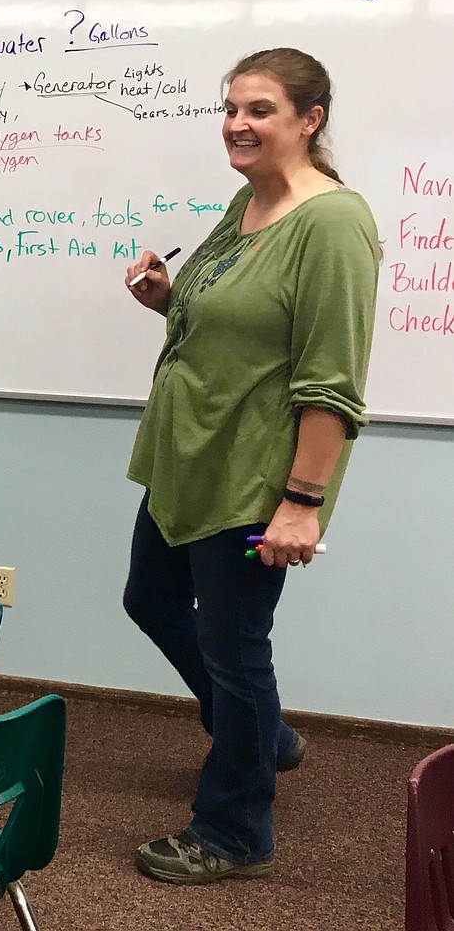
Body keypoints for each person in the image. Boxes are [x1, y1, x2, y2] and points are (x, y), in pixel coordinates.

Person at [122, 48, 379, 885]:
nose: (237, 123)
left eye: (260, 109)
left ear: (310, 120)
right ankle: (263, 736)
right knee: (150, 599)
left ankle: (234, 828)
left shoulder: (332, 223)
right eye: (230, 106)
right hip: (186, 460)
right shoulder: (248, 200)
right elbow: (228, 313)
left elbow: (332, 383)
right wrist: (168, 298)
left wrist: (301, 502)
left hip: (252, 479)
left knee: (236, 651)